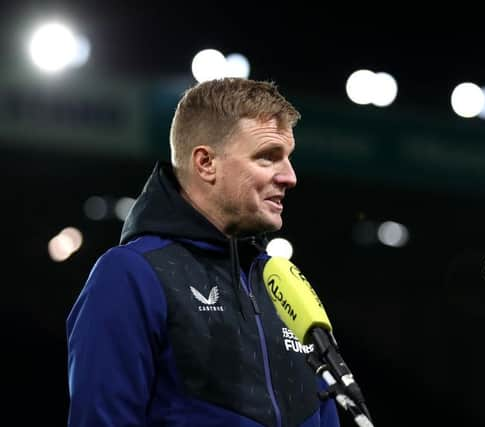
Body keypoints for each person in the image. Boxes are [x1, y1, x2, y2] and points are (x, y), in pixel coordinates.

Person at [66, 78, 340, 427]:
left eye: (288, 158)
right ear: (206, 163)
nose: (290, 177)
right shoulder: (131, 274)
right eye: (268, 158)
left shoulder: (286, 286)